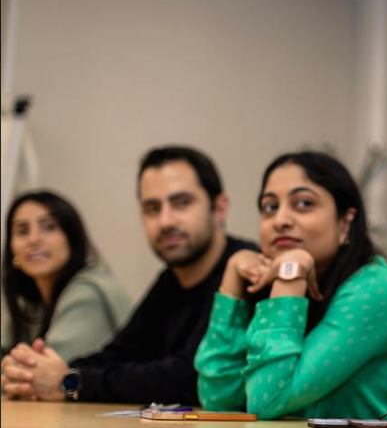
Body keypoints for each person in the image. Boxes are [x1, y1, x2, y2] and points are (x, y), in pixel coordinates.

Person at [0, 146, 256, 404]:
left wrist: (69, 383)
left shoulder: (247, 270)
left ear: (219, 208)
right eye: (152, 208)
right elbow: (119, 354)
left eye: (181, 203)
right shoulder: (170, 280)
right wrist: (36, 375)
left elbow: (188, 378)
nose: (166, 221)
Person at [194, 151, 387, 419]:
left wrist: (290, 276)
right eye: (269, 207)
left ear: (346, 222)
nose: (281, 220)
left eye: (303, 203)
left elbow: (267, 400)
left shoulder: (380, 288)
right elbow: (217, 397)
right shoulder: (285, 288)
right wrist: (232, 279)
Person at [1, 191, 131, 363]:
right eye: (22, 231)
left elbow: (42, 376)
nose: (33, 239)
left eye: (48, 227)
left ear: (71, 238)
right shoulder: (33, 308)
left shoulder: (87, 295)